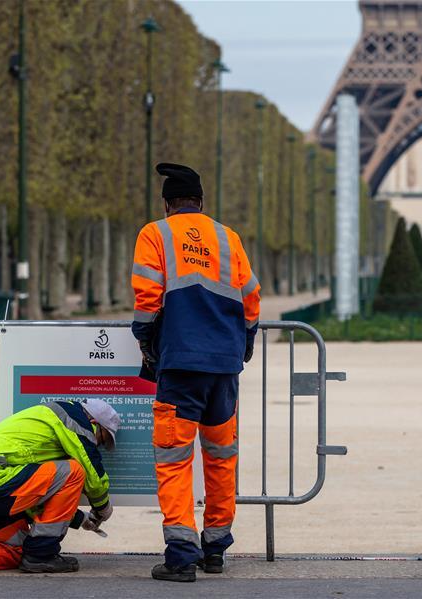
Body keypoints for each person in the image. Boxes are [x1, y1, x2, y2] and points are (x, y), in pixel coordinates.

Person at [131, 163, 261, 582]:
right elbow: (251, 296)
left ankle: (181, 555)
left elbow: (147, 294)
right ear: (202, 203)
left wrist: (145, 338)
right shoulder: (228, 237)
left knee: (174, 459)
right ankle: (216, 549)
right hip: (223, 367)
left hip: (181, 363)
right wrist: (245, 341)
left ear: (167, 204)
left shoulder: (156, 234)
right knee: (222, 458)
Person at [0, 398, 119, 574]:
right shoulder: (72, 417)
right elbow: (91, 470)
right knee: (75, 471)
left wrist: (79, 518)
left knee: (22, 549)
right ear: (94, 423)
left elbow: (35, 492)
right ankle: (42, 554)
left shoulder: (47, 430)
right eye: (101, 439)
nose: (98, 445)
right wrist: (103, 507)